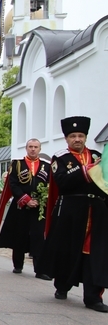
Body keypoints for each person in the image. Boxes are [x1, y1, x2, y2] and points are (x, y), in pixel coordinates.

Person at [38, 117, 108, 313]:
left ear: (86, 137)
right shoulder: (60, 158)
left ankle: (93, 297)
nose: (77, 139)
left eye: (81, 136)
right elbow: (62, 181)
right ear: (66, 139)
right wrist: (84, 172)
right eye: (73, 136)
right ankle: (62, 284)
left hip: (96, 211)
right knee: (67, 250)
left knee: (96, 252)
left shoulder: (97, 156)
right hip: (71, 210)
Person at [0, 139, 50, 279]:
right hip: (20, 206)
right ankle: (18, 264)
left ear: (40, 149)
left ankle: (39, 269)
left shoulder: (46, 166)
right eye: (30, 147)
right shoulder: (17, 164)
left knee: (38, 237)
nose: (33, 149)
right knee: (19, 235)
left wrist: (42, 199)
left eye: (36, 147)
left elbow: (49, 185)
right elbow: (13, 184)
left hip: (39, 207)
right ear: (26, 148)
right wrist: (26, 200)